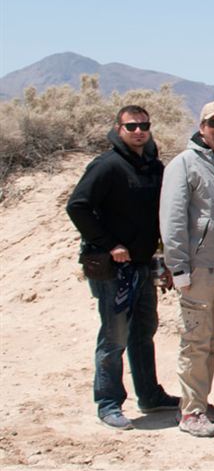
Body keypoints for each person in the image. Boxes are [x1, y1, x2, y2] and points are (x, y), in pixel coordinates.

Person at [67, 105, 178, 430]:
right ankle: (109, 402)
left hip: (143, 264)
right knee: (114, 336)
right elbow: (78, 206)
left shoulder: (152, 167)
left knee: (144, 331)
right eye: (131, 126)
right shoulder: (107, 165)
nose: (139, 131)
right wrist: (108, 243)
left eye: (144, 125)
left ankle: (150, 395)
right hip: (114, 269)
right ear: (118, 129)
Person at [159, 102, 214, 438]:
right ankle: (191, 412)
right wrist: (178, 267)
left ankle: (202, 402)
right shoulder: (183, 164)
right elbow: (173, 220)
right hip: (198, 270)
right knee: (195, 341)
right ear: (202, 126)